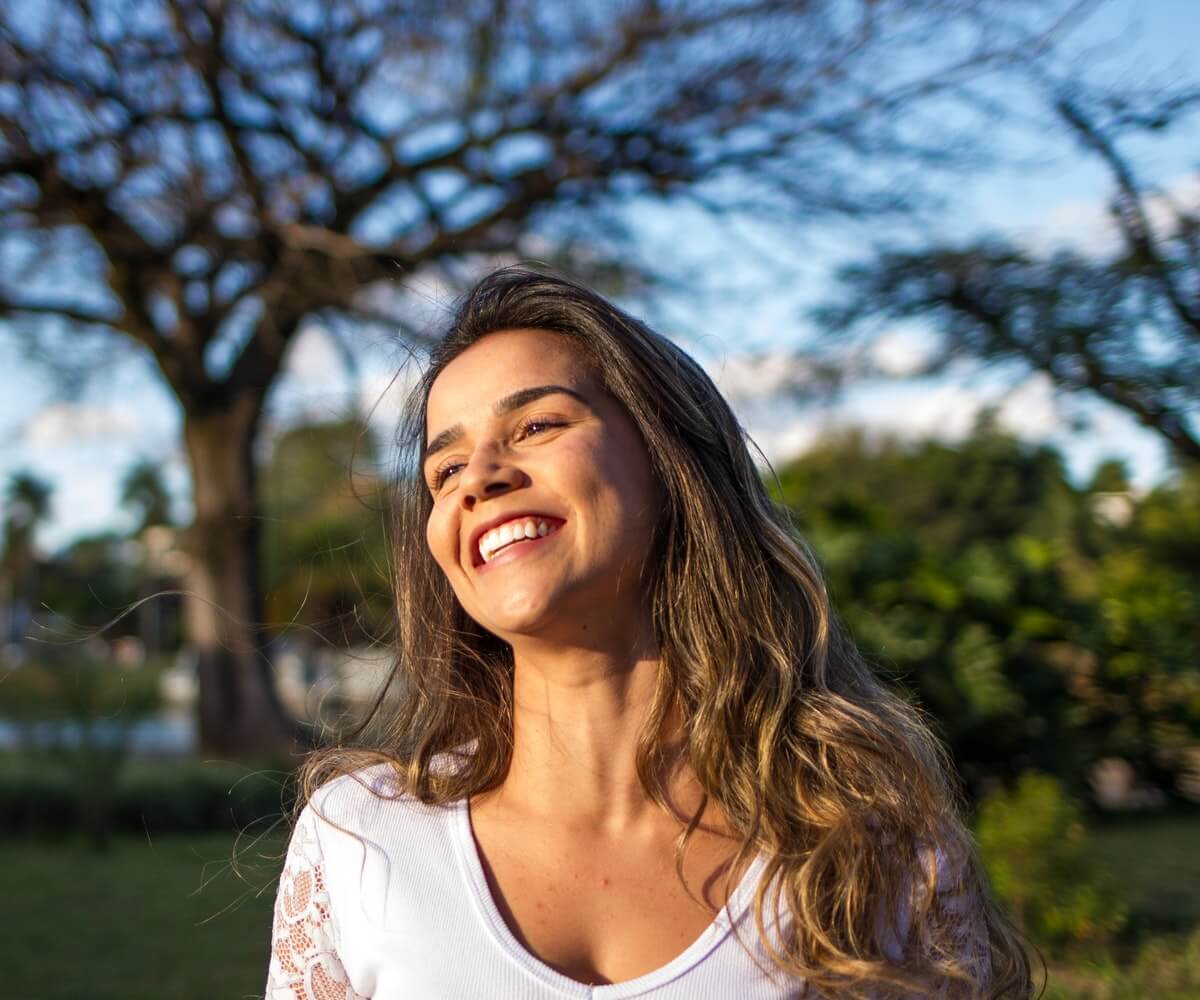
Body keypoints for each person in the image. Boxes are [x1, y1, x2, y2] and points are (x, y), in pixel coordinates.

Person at [264, 266, 1034, 999]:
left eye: (535, 424)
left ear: (671, 464)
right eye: (445, 469)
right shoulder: (358, 839)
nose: (480, 477)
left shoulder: (865, 846)